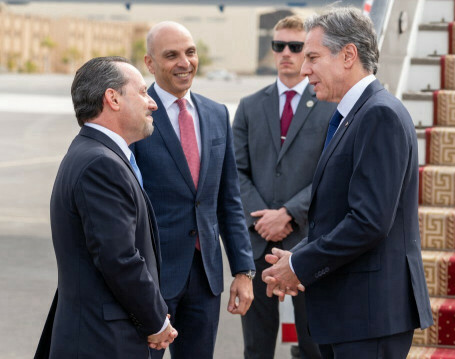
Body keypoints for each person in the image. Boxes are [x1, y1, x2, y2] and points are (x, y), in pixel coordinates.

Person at [262, 8, 434, 358]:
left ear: (348, 55)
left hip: (369, 316)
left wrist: (298, 266)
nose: (303, 68)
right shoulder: (352, 114)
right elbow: (338, 213)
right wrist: (297, 256)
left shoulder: (379, 114)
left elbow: (369, 222)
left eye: (312, 57)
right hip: (350, 313)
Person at [34, 56, 178, 359]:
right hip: (103, 342)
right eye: (142, 92)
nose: (152, 103)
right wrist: (155, 319)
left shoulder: (95, 154)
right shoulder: (101, 163)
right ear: (112, 98)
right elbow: (119, 258)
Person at [131, 22, 256, 359]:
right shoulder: (136, 116)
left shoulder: (216, 114)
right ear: (150, 63)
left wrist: (243, 271)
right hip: (153, 277)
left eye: (190, 52)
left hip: (206, 277)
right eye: (171, 55)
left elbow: (229, 201)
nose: (184, 62)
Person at [233, 15, 334, 359]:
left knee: (314, 345)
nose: (286, 53)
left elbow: (331, 172)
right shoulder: (249, 106)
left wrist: (289, 213)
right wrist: (265, 219)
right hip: (257, 241)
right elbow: (236, 170)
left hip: (309, 241)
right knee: (256, 346)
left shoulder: (328, 103)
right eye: (279, 46)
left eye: (296, 46)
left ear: (308, 51)